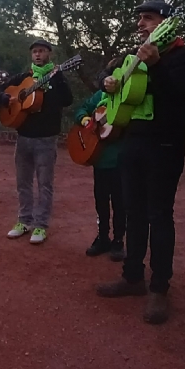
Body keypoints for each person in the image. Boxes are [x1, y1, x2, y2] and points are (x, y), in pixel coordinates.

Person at [95, 0, 185, 325]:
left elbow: (179, 96)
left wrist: (155, 65)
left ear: (165, 23)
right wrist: (106, 82)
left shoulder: (184, 57)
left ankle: (159, 287)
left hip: (165, 144)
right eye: (139, 18)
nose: (140, 23)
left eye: (148, 18)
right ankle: (132, 277)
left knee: (159, 214)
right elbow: (106, 74)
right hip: (133, 142)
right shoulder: (132, 57)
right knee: (133, 212)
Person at [0, 39, 73, 245]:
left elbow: (68, 100)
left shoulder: (56, 77)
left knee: (44, 184)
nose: (38, 54)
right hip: (23, 137)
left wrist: (59, 77)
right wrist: (5, 99)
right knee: (23, 183)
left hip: (46, 138)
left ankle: (41, 225)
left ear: (49, 54)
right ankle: (24, 221)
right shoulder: (23, 78)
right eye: (35, 52)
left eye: (42, 51)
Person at [73, 85, 126, 261]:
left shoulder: (125, 99)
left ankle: (118, 240)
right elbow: (81, 110)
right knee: (101, 202)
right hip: (100, 159)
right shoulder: (100, 95)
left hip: (120, 160)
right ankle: (102, 237)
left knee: (120, 203)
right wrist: (85, 120)